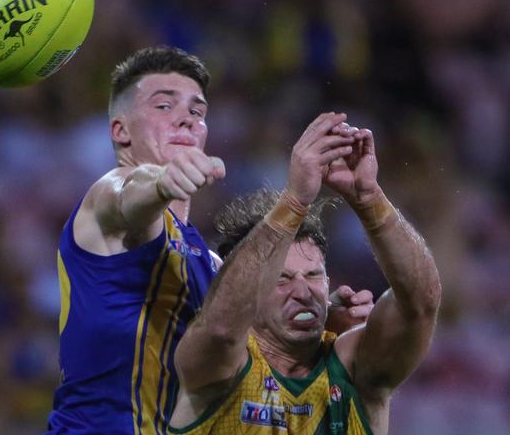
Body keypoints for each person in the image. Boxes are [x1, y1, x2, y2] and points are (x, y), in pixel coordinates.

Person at [46, 48, 373, 434]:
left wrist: (316, 316)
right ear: (121, 130)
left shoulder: (210, 263)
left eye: (197, 112)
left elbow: (240, 344)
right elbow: (127, 193)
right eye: (164, 106)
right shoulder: (106, 201)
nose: (185, 117)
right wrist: (161, 181)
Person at [169, 113, 441, 434]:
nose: (303, 291)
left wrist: (369, 200)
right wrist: (295, 201)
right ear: (248, 290)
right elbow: (221, 327)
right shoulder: (217, 366)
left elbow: (421, 302)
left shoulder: (355, 367)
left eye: (313, 275)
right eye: (281, 279)